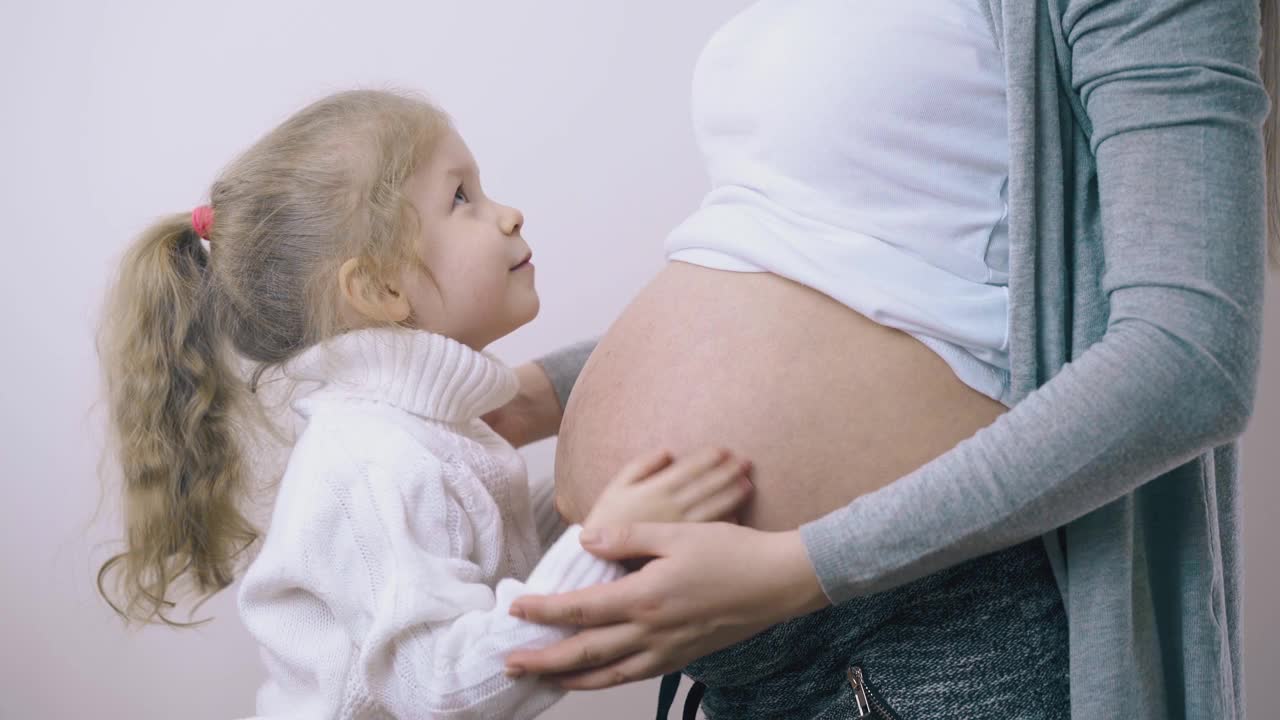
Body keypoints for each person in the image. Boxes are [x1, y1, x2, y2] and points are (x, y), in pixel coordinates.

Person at [493, 1, 1280, 718]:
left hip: (929, 626)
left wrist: (798, 567)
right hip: (757, 666)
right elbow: (823, 268)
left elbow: (1189, 357)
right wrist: (520, 397)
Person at [94, 89, 753, 719]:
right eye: (461, 198)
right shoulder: (374, 462)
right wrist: (603, 544)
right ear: (379, 287)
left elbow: (488, 567)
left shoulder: (427, 433)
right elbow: (441, 689)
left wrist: (615, 497)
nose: (508, 213)